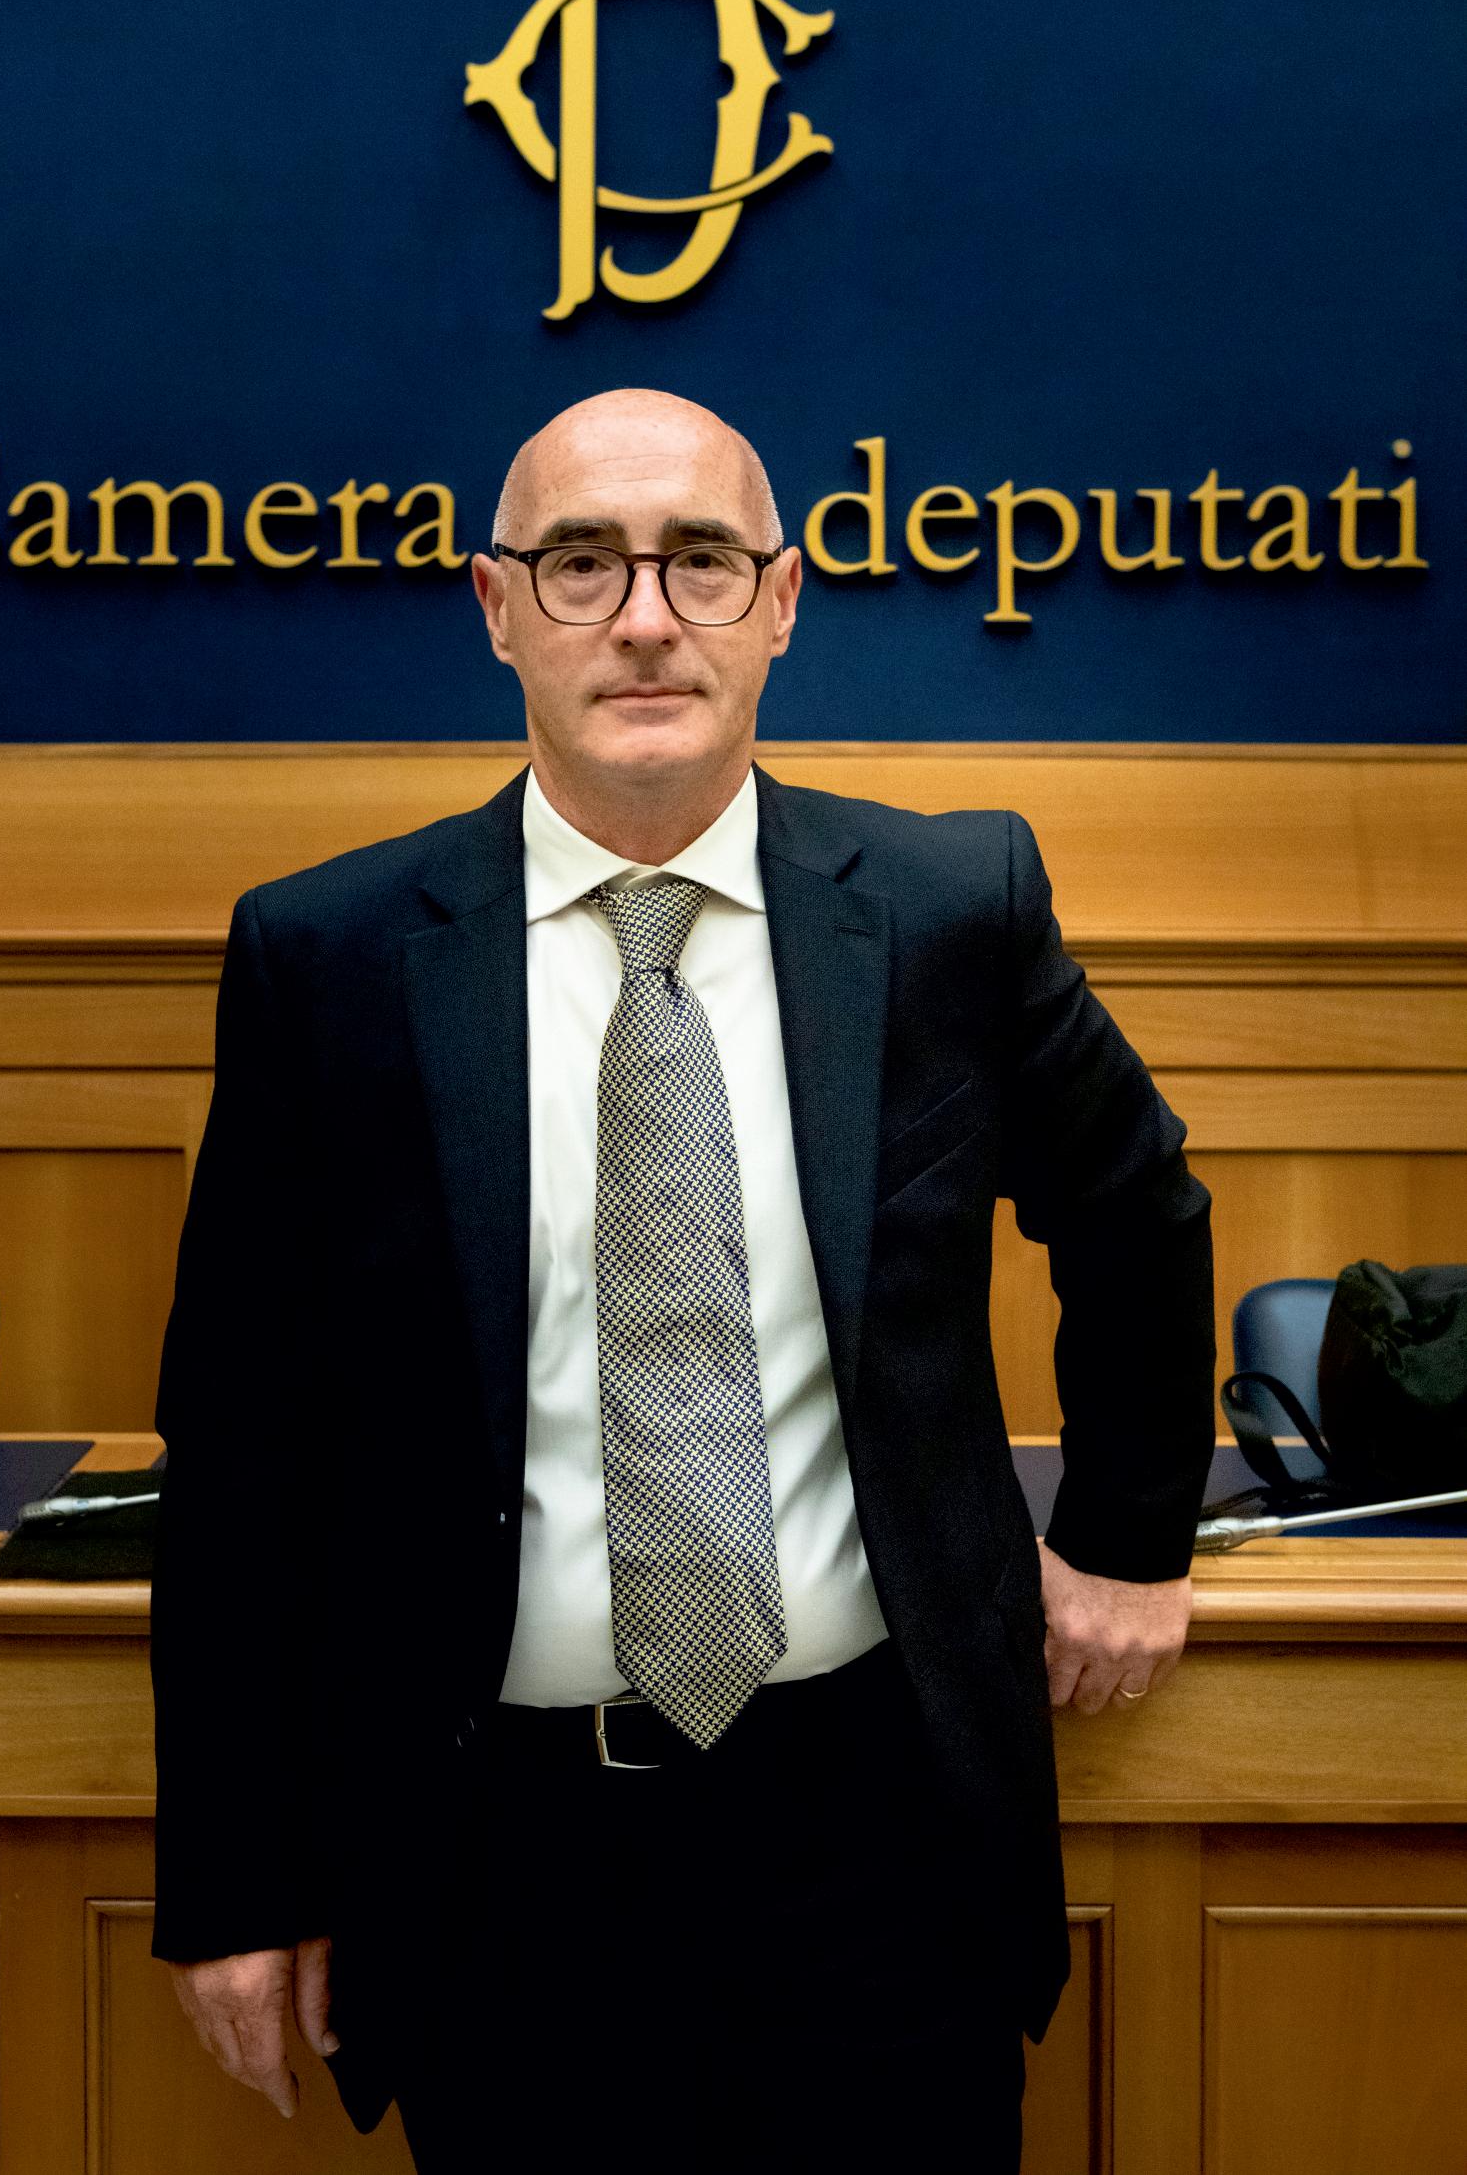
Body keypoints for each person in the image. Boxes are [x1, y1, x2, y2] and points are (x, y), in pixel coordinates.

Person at [150, 387, 1216, 2174]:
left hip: (882, 1830)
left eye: (700, 562)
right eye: (582, 564)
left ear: (779, 603)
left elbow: (1137, 1210)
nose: (646, 617)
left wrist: (1125, 1537)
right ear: (497, 609)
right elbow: (244, 1449)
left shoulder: (950, 906)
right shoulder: (329, 957)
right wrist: (236, 1877)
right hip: (496, 1857)